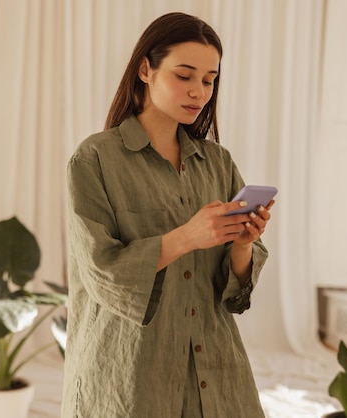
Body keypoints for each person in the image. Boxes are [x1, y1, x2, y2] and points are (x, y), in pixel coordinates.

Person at [61, 11, 275, 418]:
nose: (199, 91)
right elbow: (102, 272)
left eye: (209, 80)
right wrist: (188, 236)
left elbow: (234, 293)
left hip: (215, 370)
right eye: (184, 75)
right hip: (131, 377)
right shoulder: (94, 159)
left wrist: (242, 245)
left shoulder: (218, 162)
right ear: (146, 69)